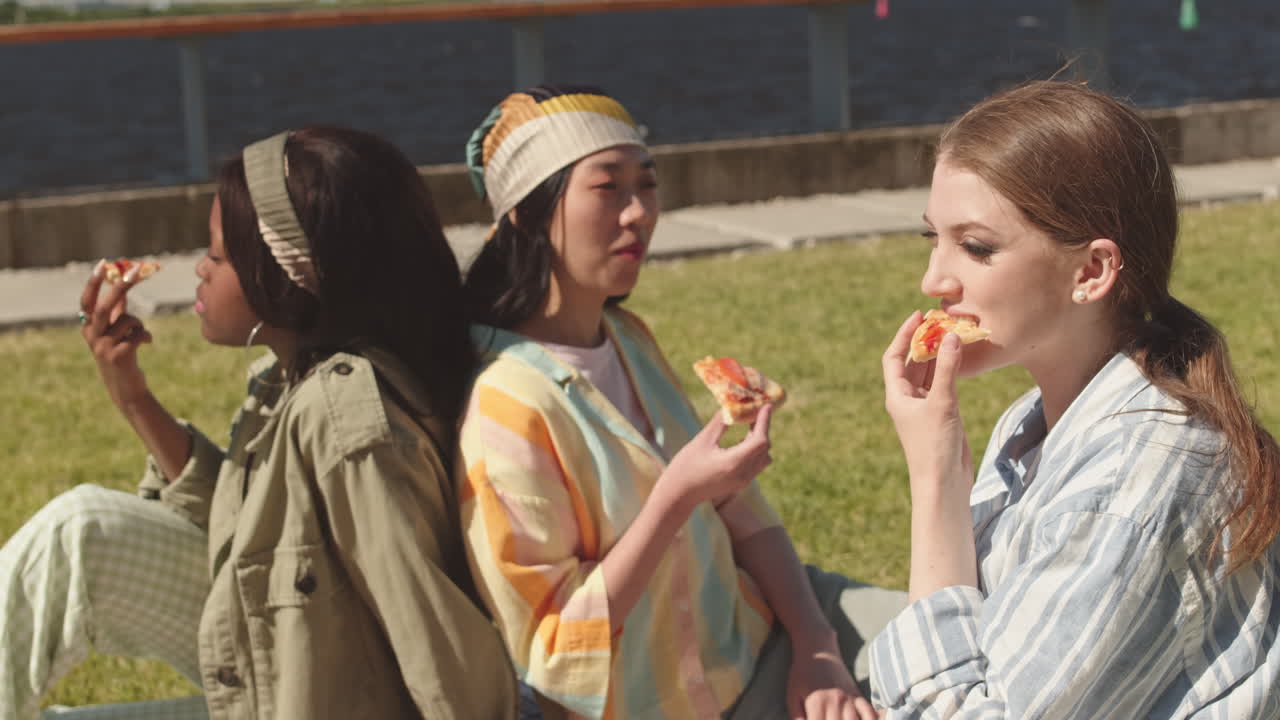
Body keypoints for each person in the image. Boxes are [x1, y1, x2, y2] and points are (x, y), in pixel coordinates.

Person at [0, 127, 519, 719]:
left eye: (219, 256)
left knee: (75, 527)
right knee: (83, 532)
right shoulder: (288, 383)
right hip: (281, 676)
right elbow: (243, 537)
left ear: (286, 274)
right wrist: (133, 397)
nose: (200, 270)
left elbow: (429, 631)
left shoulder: (344, 418)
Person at [456, 84, 905, 720]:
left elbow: (741, 511)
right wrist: (677, 498)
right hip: (672, 704)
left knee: (967, 637)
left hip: (765, 634)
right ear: (525, 214)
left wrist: (817, 647)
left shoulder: (627, 338)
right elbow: (552, 654)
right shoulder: (505, 405)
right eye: (607, 188)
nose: (638, 213)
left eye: (647, 184)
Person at [872, 80, 1280, 718]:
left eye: (976, 247)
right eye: (934, 239)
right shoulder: (1033, 422)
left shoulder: (1129, 481)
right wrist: (945, 475)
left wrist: (933, 480)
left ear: (1091, 272)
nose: (934, 281)